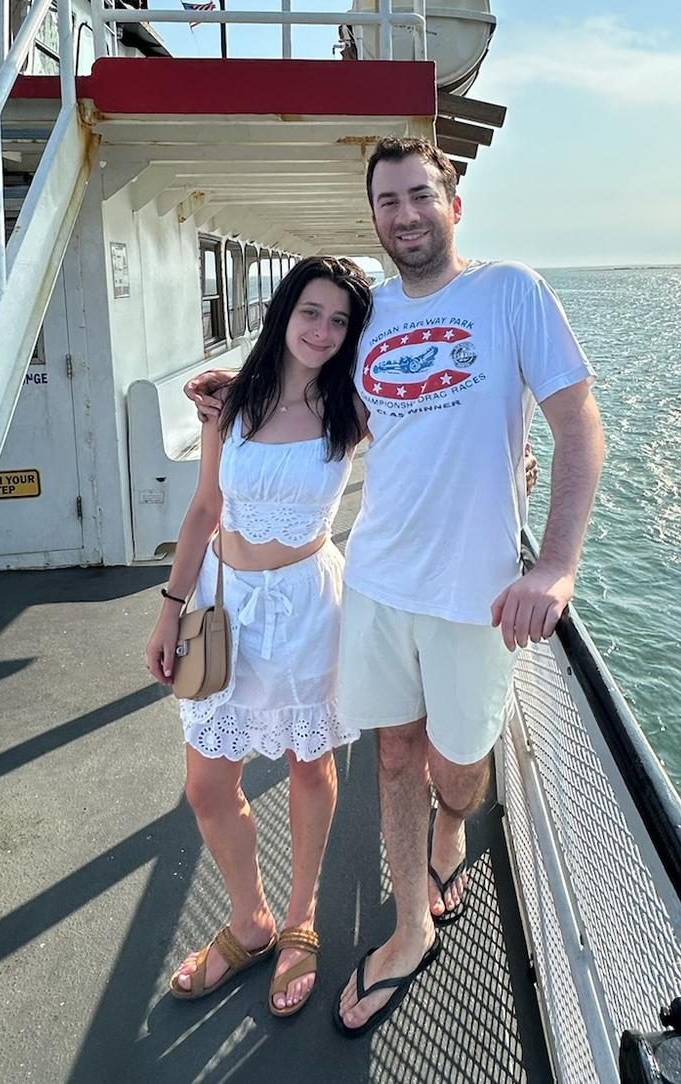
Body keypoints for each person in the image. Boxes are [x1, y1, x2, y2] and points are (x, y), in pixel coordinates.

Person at [189, 138, 604, 1039]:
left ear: (454, 204)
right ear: (374, 217)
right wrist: (231, 389)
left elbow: (577, 423)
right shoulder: (370, 316)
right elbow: (310, 384)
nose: (406, 214)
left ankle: (452, 829)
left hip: (476, 592)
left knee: (458, 769)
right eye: (388, 201)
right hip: (376, 581)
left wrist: (555, 566)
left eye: (420, 195)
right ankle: (410, 926)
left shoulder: (510, 292)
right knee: (391, 756)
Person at [146, 254, 374, 1018]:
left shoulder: (355, 406)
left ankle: (301, 918)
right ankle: (250, 920)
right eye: (312, 312)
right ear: (284, 312)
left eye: (340, 321)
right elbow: (204, 510)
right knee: (208, 786)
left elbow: (436, 438)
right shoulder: (232, 402)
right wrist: (170, 609)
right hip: (223, 606)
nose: (323, 331)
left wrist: (516, 460)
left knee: (310, 764)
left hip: (309, 608)